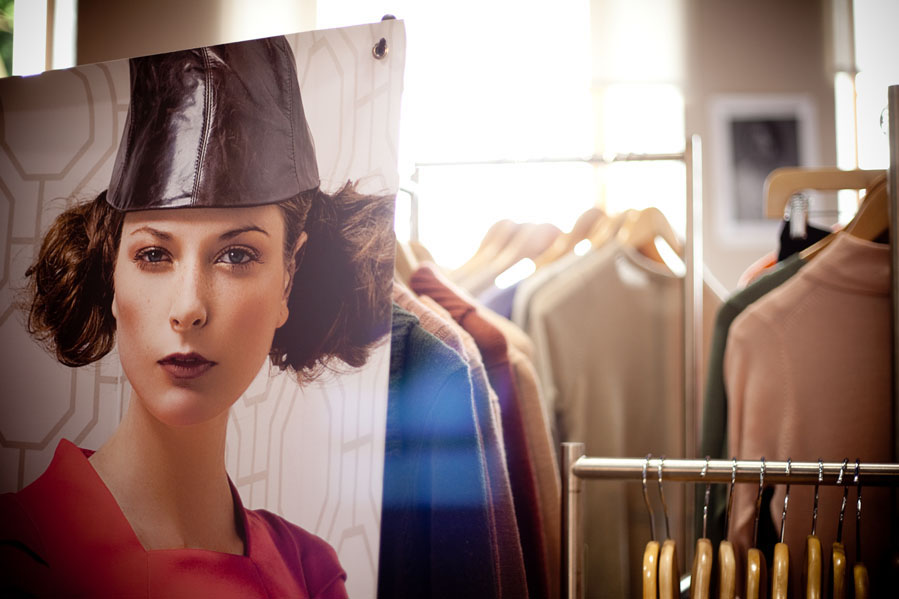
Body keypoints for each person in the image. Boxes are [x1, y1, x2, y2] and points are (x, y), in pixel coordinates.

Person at [0, 35, 394, 598]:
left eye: (236, 256)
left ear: (289, 276)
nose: (188, 308)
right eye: (153, 255)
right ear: (111, 270)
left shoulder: (311, 574)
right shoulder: (18, 551)